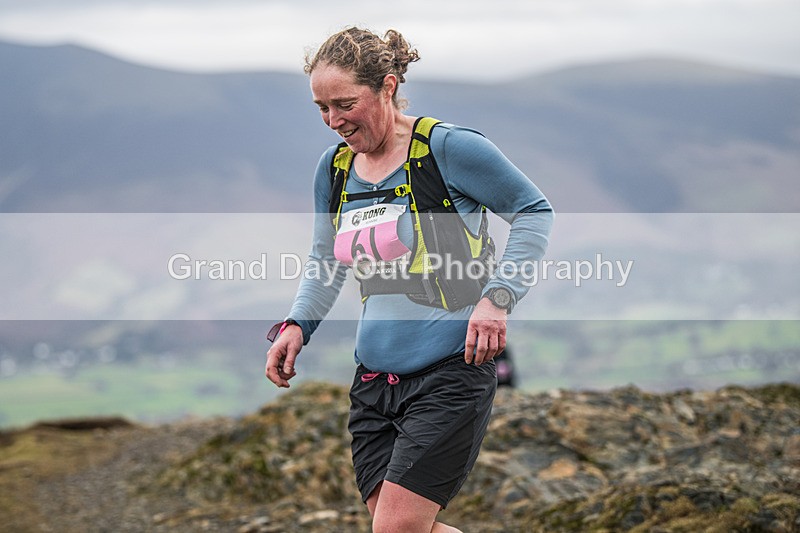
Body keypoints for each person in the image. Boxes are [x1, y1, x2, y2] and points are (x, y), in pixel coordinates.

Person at [265, 27, 553, 533]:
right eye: (321, 108)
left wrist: (498, 298)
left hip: (450, 373)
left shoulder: (450, 149)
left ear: (388, 86)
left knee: (395, 528)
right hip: (373, 384)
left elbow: (533, 210)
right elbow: (325, 258)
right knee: (400, 529)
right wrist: (297, 325)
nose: (334, 121)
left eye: (345, 103)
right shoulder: (333, 170)